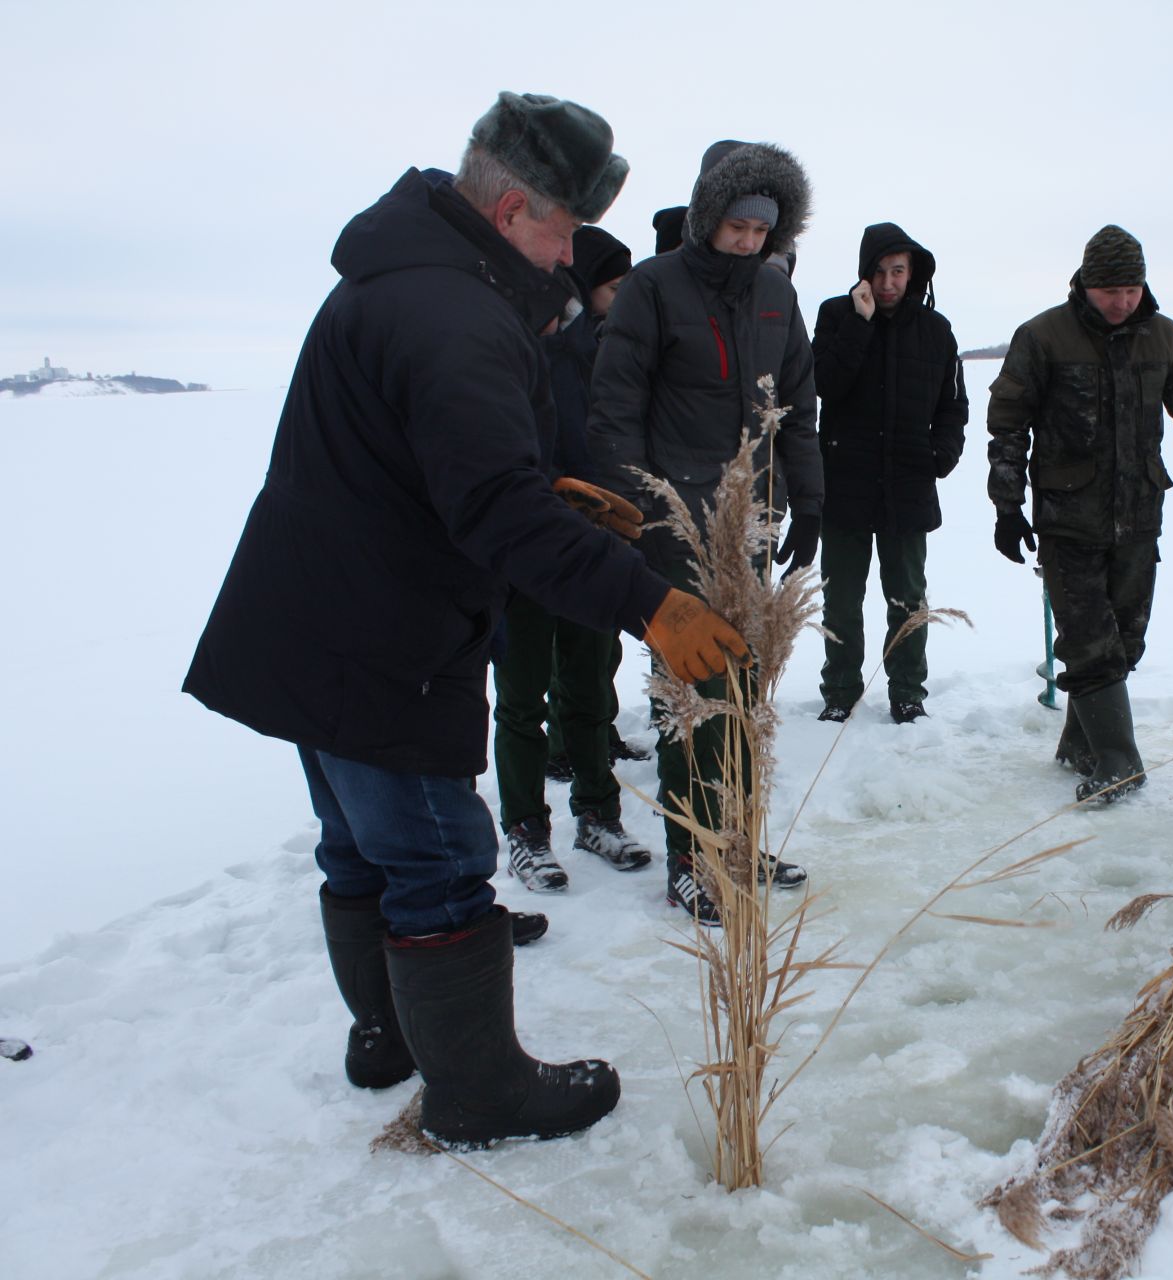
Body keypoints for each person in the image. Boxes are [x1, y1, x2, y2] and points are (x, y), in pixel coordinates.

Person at [182, 93, 748, 1147]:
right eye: (566, 229)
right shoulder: (455, 315)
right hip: (380, 641)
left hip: (314, 620)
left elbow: (439, 466)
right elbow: (489, 508)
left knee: (357, 849)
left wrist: (543, 485)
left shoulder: (402, 279)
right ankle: (479, 1092)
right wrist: (648, 600)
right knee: (439, 859)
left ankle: (385, 1035)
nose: (571, 254)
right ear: (512, 212)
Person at [588, 140, 819, 923]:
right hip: (676, 522)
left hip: (751, 518)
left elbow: (797, 408)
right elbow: (614, 409)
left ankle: (738, 836)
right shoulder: (653, 289)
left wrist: (807, 499)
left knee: (746, 687)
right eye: (737, 226)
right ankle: (690, 854)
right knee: (687, 690)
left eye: (764, 229)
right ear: (706, 215)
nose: (750, 241)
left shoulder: (776, 297)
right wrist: (643, 512)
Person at [986, 225, 1173, 802]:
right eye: (1110, 291)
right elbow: (1008, 426)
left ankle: (1083, 745)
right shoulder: (1044, 336)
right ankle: (1121, 764)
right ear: (1085, 285)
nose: (1122, 301)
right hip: (1067, 516)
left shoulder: (1165, 338)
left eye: (1132, 288)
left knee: (1124, 641)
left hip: (1139, 514)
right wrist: (1007, 503)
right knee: (1090, 640)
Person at [494, 225, 649, 893]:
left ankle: (597, 814)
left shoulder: (611, 353)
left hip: (593, 547)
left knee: (589, 692)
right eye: (614, 284)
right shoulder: (511, 341)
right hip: (526, 546)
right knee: (523, 698)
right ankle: (526, 830)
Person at [813, 222, 968, 723]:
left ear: (912, 273)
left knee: (907, 599)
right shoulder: (836, 315)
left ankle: (907, 692)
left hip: (907, 483)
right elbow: (825, 384)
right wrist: (859, 324)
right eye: (878, 272)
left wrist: (941, 454)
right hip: (844, 484)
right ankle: (840, 691)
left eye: (897, 271)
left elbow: (952, 404)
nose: (887, 283)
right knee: (841, 600)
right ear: (864, 274)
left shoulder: (935, 329)